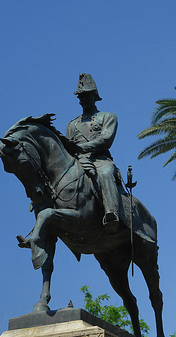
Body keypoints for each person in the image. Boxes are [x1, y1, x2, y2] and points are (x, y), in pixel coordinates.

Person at [66, 73, 121, 233]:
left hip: (100, 160)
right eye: (80, 97)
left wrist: (83, 148)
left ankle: (111, 213)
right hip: (77, 162)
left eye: (86, 96)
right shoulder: (72, 124)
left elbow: (106, 139)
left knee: (105, 173)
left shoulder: (107, 117)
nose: (83, 99)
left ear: (94, 96)